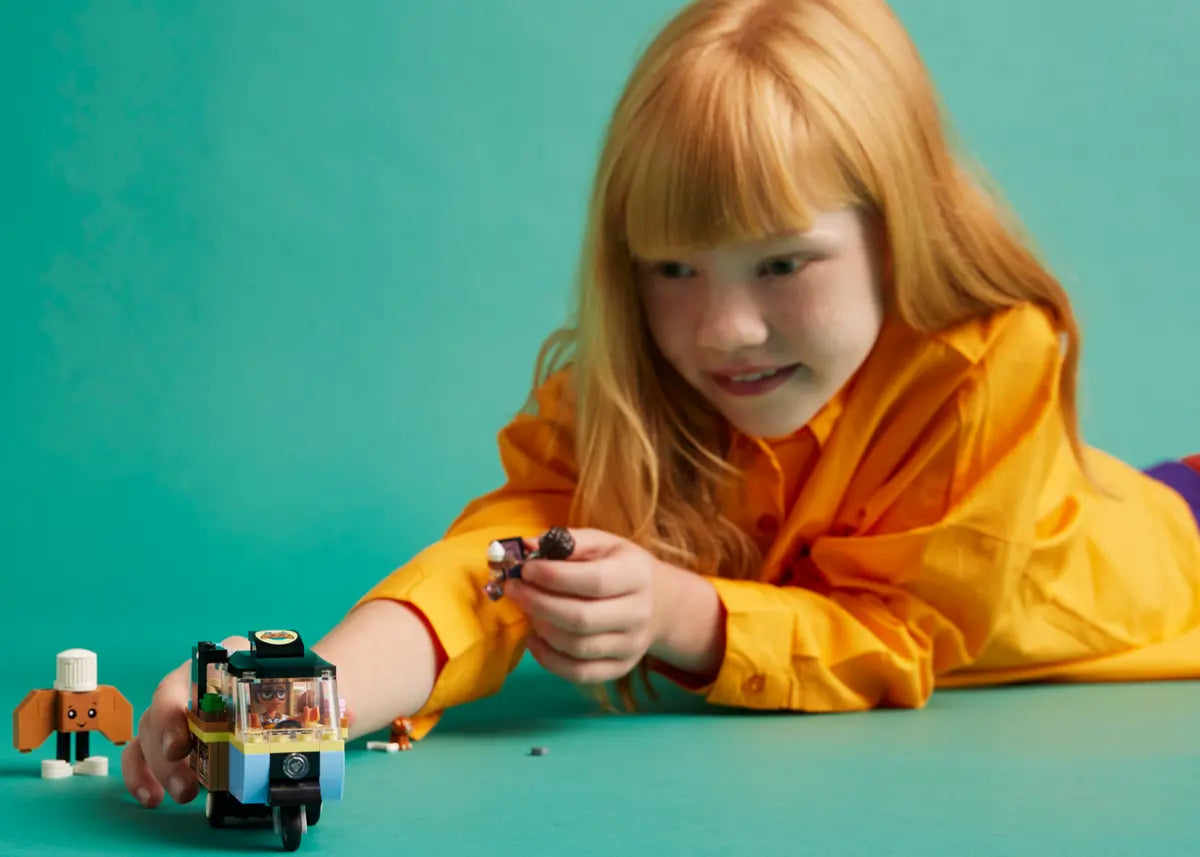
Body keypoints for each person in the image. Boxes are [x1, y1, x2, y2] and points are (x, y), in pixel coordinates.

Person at [122, 0, 1200, 809]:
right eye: (674, 268)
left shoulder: (985, 360)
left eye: (784, 264)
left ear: (899, 227)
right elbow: (489, 569)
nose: (724, 329)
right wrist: (295, 696)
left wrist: (682, 612)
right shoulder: (632, 380)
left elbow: (900, 638)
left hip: (1167, 550)